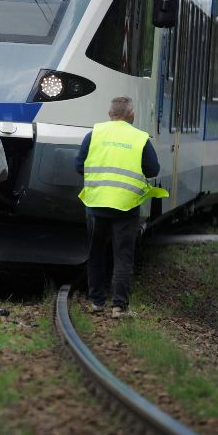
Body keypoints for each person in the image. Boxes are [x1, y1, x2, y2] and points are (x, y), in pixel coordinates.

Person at [75, 97, 165, 319]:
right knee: (123, 257)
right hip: (126, 207)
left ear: (109, 113)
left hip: (96, 205)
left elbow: (79, 165)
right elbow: (153, 169)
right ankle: (119, 307)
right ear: (131, 114)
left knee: (95, 254)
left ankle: (96, 302)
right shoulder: (140, 138)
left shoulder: (94, 134)